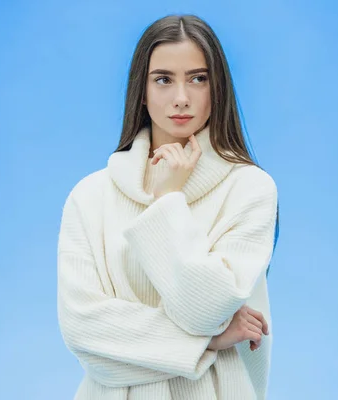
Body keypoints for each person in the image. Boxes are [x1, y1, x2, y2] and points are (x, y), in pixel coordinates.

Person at [57, 14, 280, 400]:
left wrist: (168, 200)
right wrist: (208, 341)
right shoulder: (90, 196)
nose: (181, 97)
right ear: (141, 92)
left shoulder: (249, 189)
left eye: (198, 78)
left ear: (218, 88)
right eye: (163, 79)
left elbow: (205, 308)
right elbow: (84, 332)